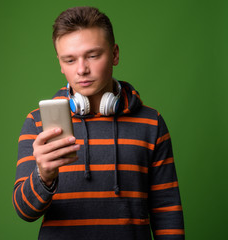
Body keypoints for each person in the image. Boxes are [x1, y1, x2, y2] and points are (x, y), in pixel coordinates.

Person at [13, 6, 184, 240]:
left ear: (114, 54)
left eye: (93, 56)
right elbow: (24, 211)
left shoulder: (151, 123)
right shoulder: (37, 123)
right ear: (60, 64)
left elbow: (167, 209)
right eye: (70, 60)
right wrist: (43, 176)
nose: (82, 69)